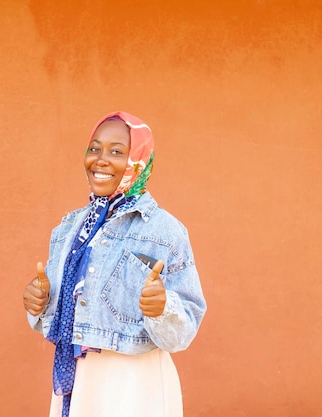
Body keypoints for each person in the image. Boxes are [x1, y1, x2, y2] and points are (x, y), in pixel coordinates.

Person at [22, 111, 206, 417]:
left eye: (117, 152)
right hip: (76, 380)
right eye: (95, 148)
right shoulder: (69, 229)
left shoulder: (164, 231)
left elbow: (183, 331)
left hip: (133, 387)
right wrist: (38, 302)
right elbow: (60, 314)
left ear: (140, 160)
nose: (101, 159)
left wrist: (163, 309)